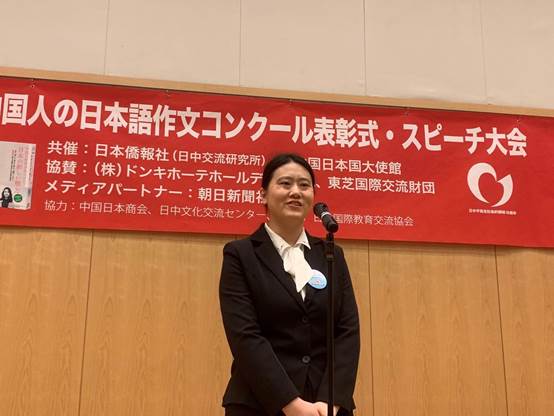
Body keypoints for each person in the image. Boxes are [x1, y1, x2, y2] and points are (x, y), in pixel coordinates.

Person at [219, 153, 360, 416]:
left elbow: (347, 331)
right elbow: (245, 336)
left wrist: (331, 400)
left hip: (326, 407)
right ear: (263, 194)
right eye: (285, 183)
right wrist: (291, 404)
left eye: (304, 185)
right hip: (259, 404)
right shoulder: (240, 255)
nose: (296, 191)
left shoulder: (331, 254)